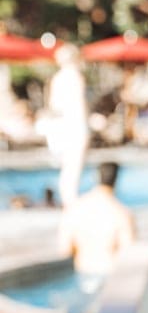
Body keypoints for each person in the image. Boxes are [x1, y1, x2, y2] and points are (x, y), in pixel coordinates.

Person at [58, 161, 136, 293]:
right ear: (116, 180)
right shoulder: (121, 213)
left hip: (84, 272)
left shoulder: (76, 209)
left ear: (96, 177)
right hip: (109, 274)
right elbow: (129, 253)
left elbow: (64, 249)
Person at [45, 43, 90, 207]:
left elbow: (53, 105)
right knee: (74, 165)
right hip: (74, 125)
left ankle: (67, 199)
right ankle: (70, 201)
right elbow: (79, 104)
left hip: (60, 125)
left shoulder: (57, 78)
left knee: (67, 166)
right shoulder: (75, 77)